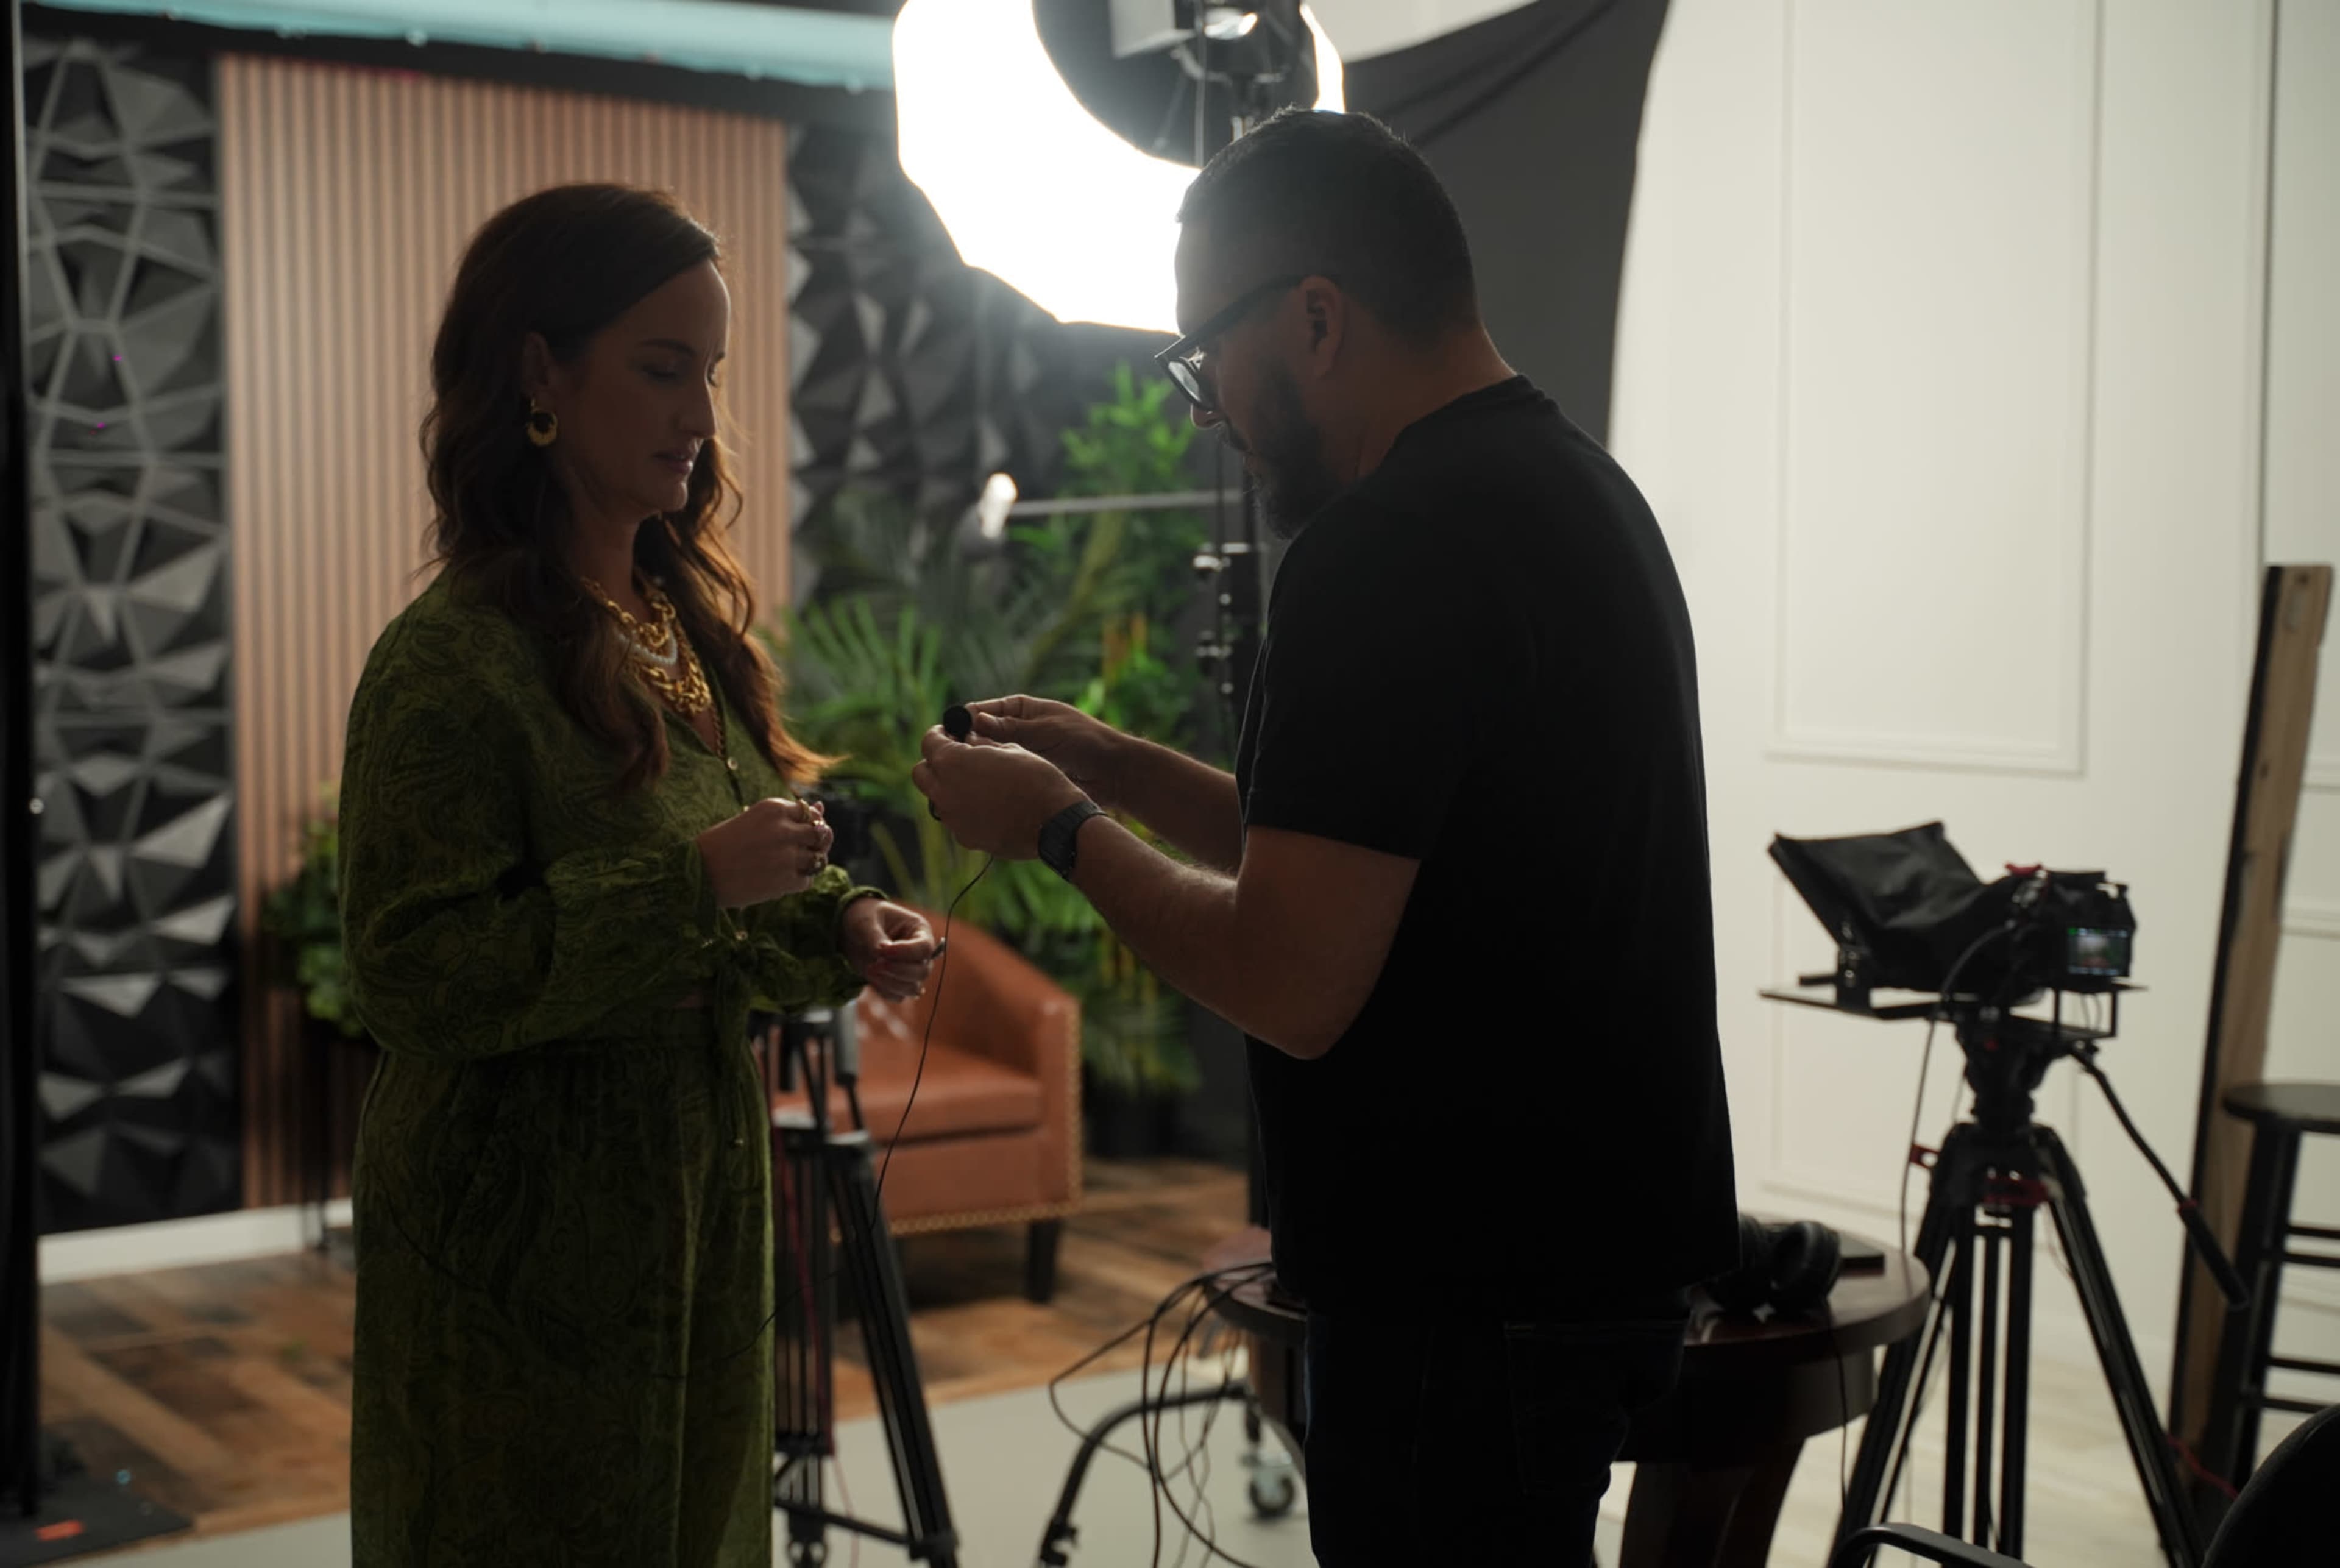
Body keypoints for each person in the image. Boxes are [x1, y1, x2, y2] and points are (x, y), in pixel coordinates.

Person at [913, 111, 1737, 1564]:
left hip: (1461, 1292)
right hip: (1588, 1256)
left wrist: (1058, 828)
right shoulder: (1576, 494)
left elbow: (1292, 977)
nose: (1202, 404)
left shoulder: (1388, 548)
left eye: (1201, 355)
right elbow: (1384, 847)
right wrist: (1115, 763)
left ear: (1312, 317)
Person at [339, 184, 940, 1568]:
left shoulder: (680, 632)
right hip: (517, 1234)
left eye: (712, 375)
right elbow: (413, 978)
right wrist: (688, 889)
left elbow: (730, 909)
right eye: (664, 369)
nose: (700, 415)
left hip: (697, 1201)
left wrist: (841, 923)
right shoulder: (447, 666)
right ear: (541, 373)